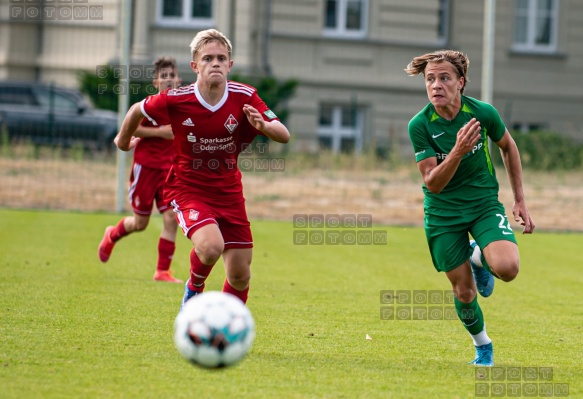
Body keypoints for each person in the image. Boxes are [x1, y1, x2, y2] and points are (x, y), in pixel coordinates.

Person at [114, 29, 290, 308]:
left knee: (241, 274)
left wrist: (265, 127)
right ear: (195, 65)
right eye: (208, 58)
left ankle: (225, 329)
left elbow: (283, 133)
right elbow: (137, 109)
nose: (216, 63)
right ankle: (194, 288)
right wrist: (123, 142)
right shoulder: (177, 99)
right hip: (188, 188)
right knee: (210, 247)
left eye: (222, 58)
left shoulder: (244, 96)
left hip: (229, 192)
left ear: (230, 65)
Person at [404, 50, 535, 366]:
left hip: (482, 205)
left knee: (508, 268)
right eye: (430, 79)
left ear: (460, 82)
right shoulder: (420, 125)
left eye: (444, 78)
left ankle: (478, 256)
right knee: (464, 292)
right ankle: (483, 348)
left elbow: (508, 146)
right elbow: (432, 183)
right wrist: (458, 151)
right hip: (443, 213)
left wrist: (519, 198)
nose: (436, 85)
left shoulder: (483, 113)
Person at [98, 56, 183, 284]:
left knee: (171, 218)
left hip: (169, 173)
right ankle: (112, 234)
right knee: (140, 223)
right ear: (155, 82)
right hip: (145, 170)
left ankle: (162, 271)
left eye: (172, 76)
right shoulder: (150, 106)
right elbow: (130, 129)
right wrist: (160, 132)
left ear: (179, 80)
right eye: (163, 77)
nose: (168, 80)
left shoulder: (181, 107)